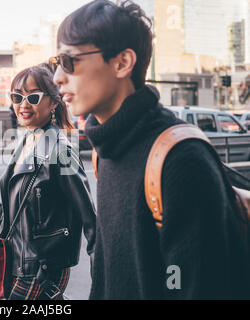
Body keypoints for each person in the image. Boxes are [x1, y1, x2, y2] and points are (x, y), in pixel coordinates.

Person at [51, 0, 250, 299]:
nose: (57, 77)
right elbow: (107, 272)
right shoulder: (106, 149)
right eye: (57, 63)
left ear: (122, 63)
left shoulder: (180, 158)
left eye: (69, 62)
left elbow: (196, 285)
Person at [0, 65, 96, 300]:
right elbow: (7, 201)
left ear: (54, 103)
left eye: (33, 97)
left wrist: (102, 281)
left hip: (43, 266)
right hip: (18, 260)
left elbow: (89, 218)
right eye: (16, 97)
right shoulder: (28, 140)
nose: (23, 105)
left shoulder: (60, 150)